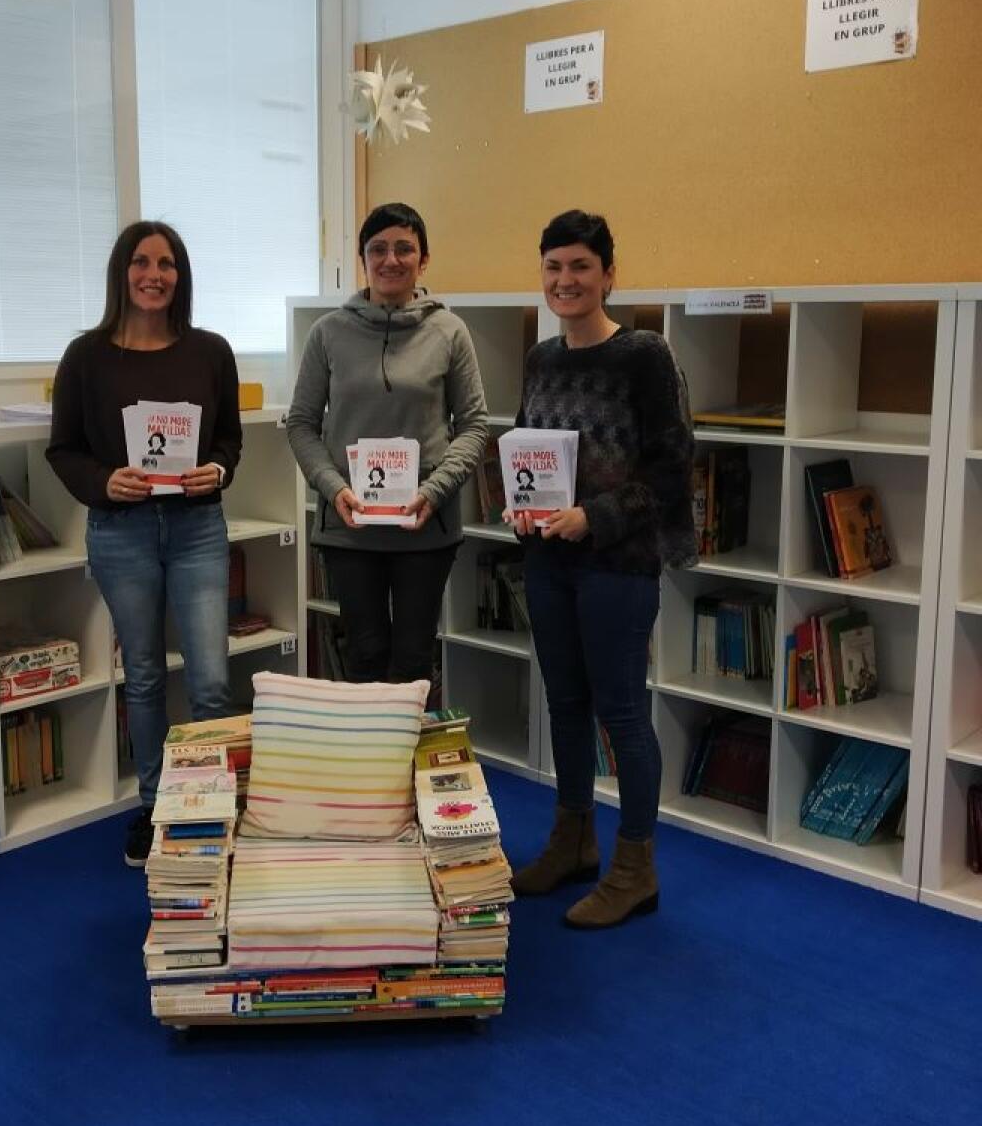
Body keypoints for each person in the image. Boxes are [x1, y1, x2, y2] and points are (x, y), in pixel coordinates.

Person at [510, 210, 694, 928]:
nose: (566, 280)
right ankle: (573, 838)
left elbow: (673, 472)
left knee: (620, 711)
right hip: (548, 556)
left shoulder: (645, 356)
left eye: (581, 266)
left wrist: (597, 515)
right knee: (564, 703)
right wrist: (521, 506)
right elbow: (528, 449)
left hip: (618, 561)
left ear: (609, 274)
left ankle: (635, 865)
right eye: (553, 267)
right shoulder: (541, 358)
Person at [47, 220, 242, 867]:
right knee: (147, 677)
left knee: (212, 680)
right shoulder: (86, 356)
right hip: (122, 532)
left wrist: (218, 470)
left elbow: (229, 442)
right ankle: (155, 807)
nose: (154, 274)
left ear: (180, 275)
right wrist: (105, 480)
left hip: (197, 530)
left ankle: (210, 803)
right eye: (141, 262)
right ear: (121, 272)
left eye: (167, 263)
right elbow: (63, 448)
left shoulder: (211, 351)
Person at [287, 202, 489, 690]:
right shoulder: (327, 333)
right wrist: (334, 489)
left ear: (424, 260)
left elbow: (476, 425)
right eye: (377, 249)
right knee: (365, 652)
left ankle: (406, 766)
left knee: (415, 658)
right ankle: (371, 766)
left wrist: (435, 490)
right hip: (350, 527)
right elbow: (301, 423)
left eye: (404, 248)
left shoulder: (450, 331)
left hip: (426, 524)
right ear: (363, 259)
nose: (390, 259)